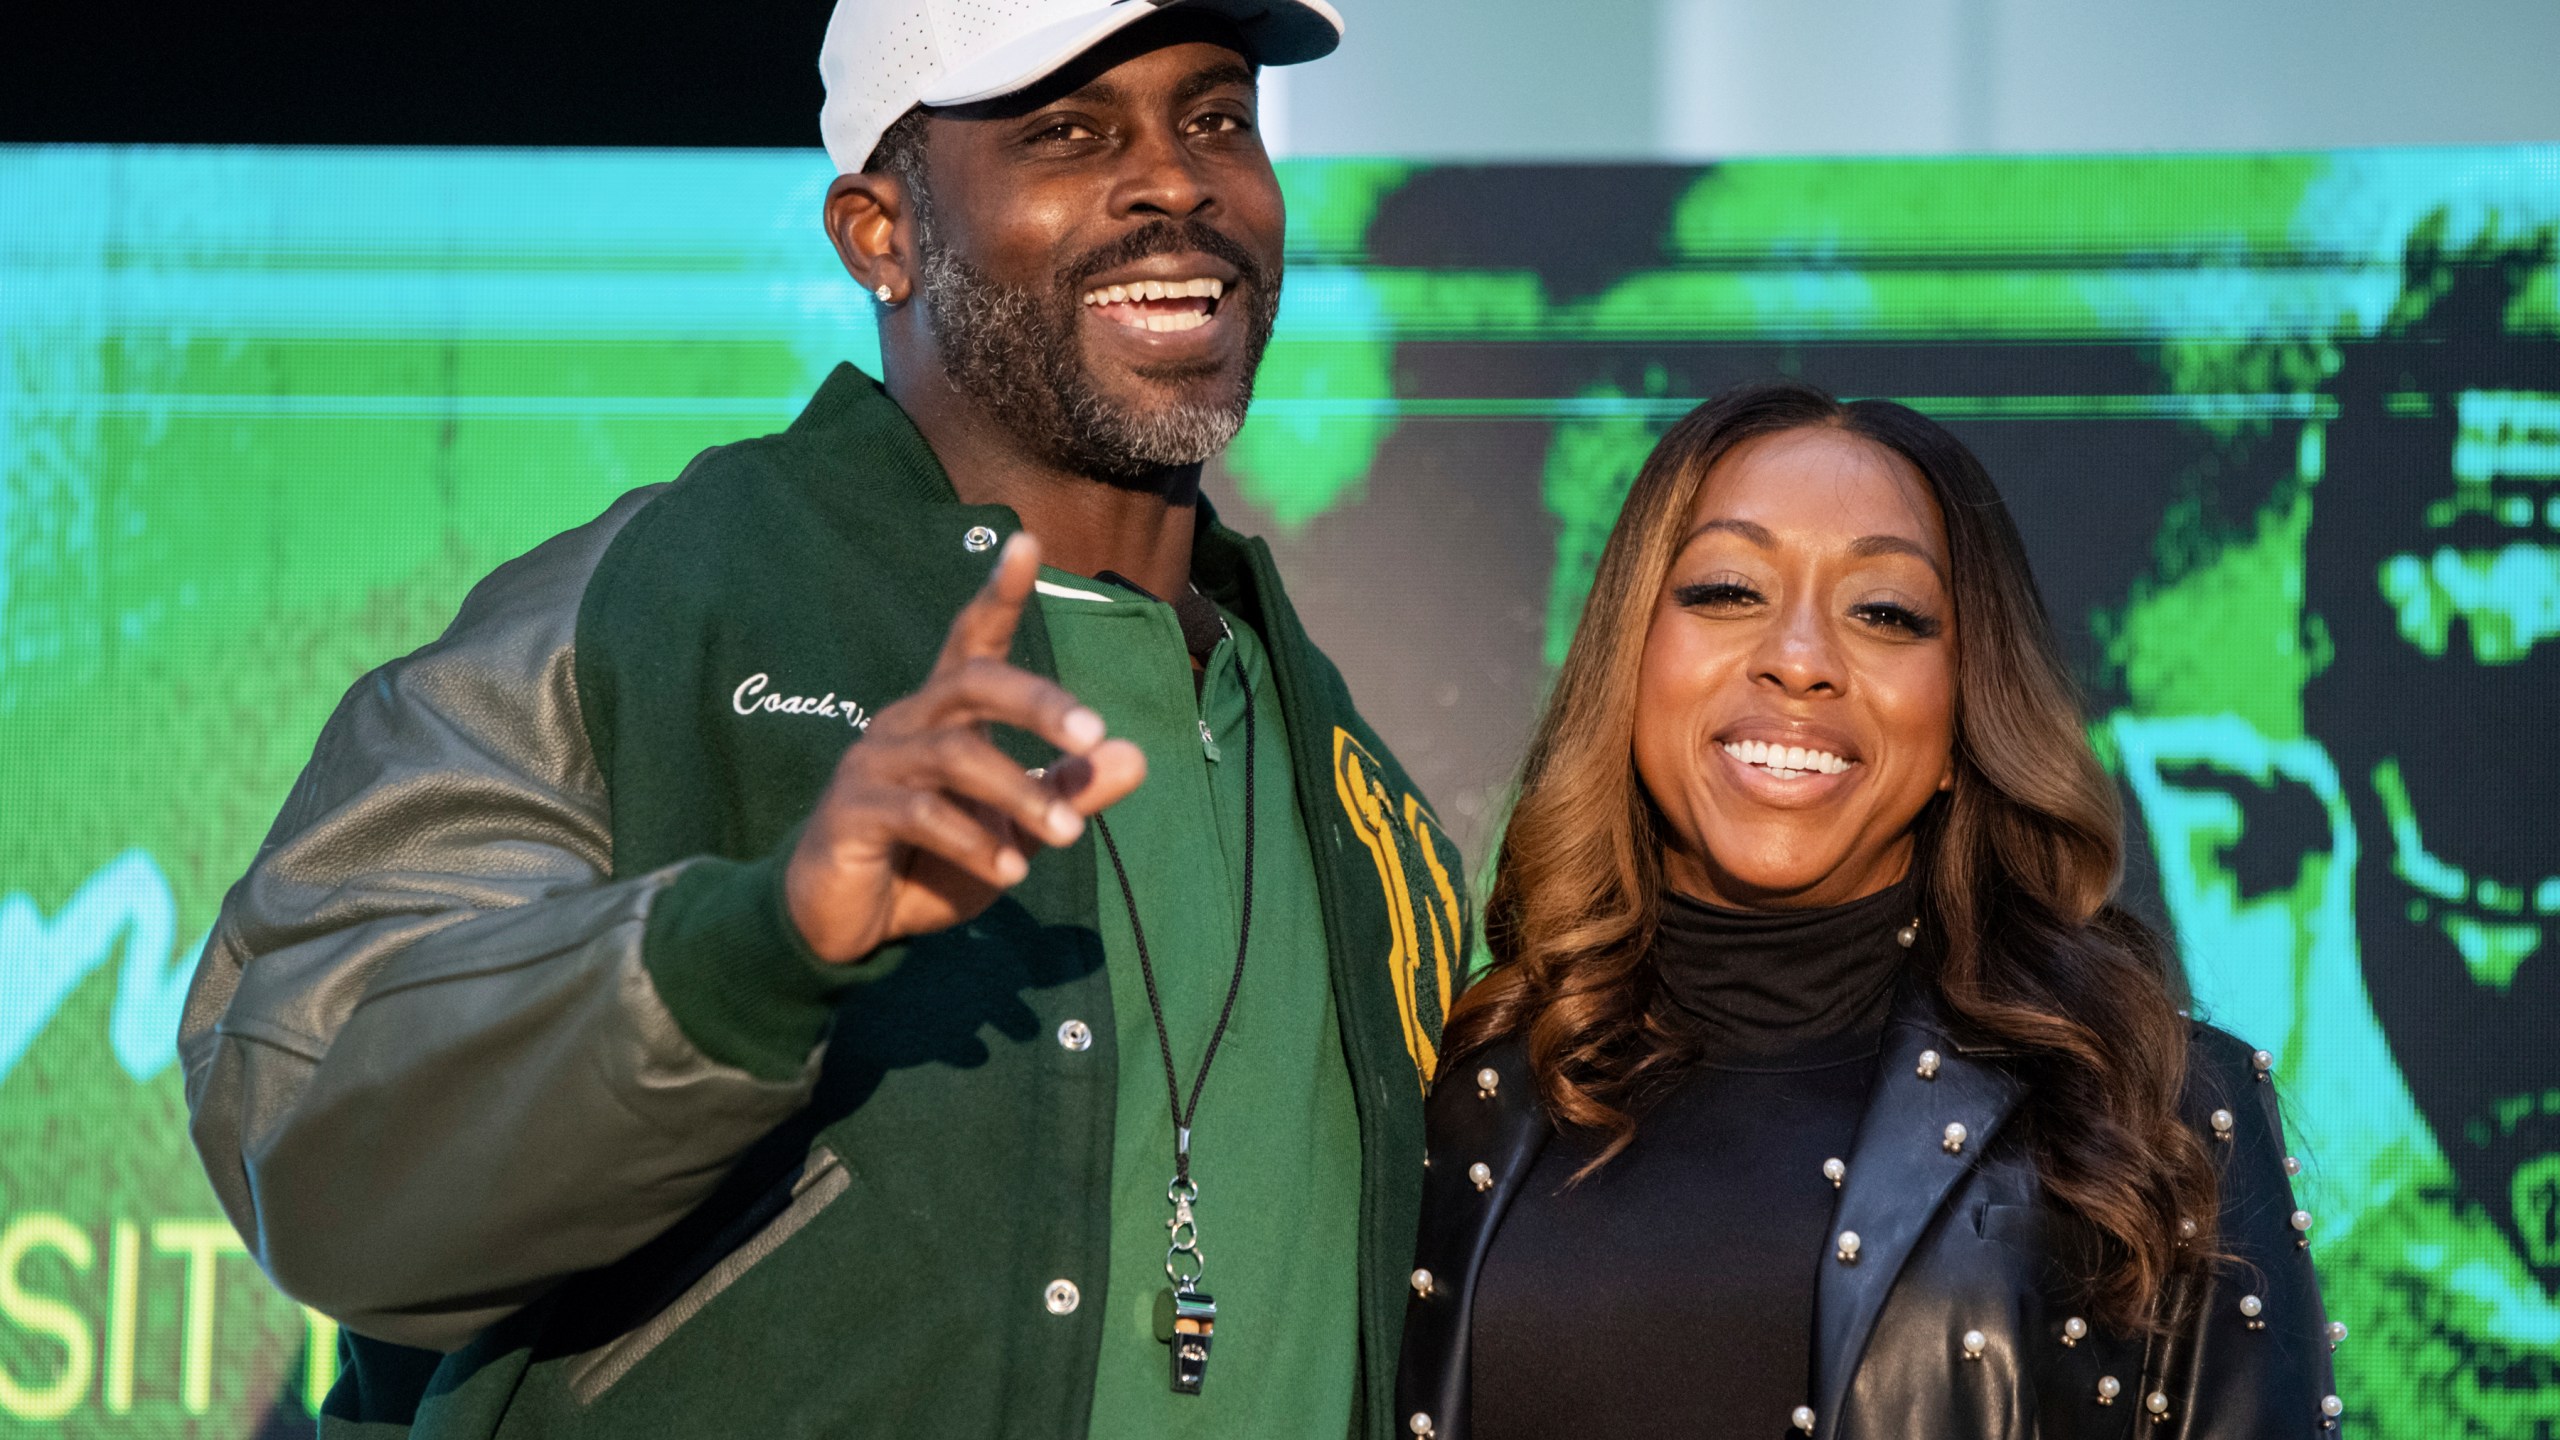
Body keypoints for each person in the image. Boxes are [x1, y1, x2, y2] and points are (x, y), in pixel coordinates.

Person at [179, 2, 1472, 1437]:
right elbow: (315, 1151)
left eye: (1217, 117)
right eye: (1068, 131)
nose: (1176, 179)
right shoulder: (654, 608)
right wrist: (755, 946)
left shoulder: (1346, 773)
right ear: (879, 234)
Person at [1395, 381, 2342, 1439]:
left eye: (1884, 613)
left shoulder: (2148, 1109)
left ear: (1964, 710)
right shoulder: (1454, 1089)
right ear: (1630, 660)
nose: (1798, 659)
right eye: (1725, 591)